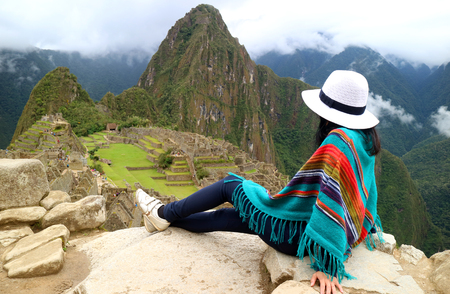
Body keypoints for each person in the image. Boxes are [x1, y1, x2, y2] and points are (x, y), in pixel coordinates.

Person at [135, 70, 382, 294]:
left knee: (230, 185)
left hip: (293, 234)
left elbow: (335, 203)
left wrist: (329, 265)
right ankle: (167, 221)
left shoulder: (339, 142)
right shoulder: (364, 140)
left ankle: (162, 212)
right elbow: (362, 195)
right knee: (227, 218)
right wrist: (363, 229)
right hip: (302, 233)